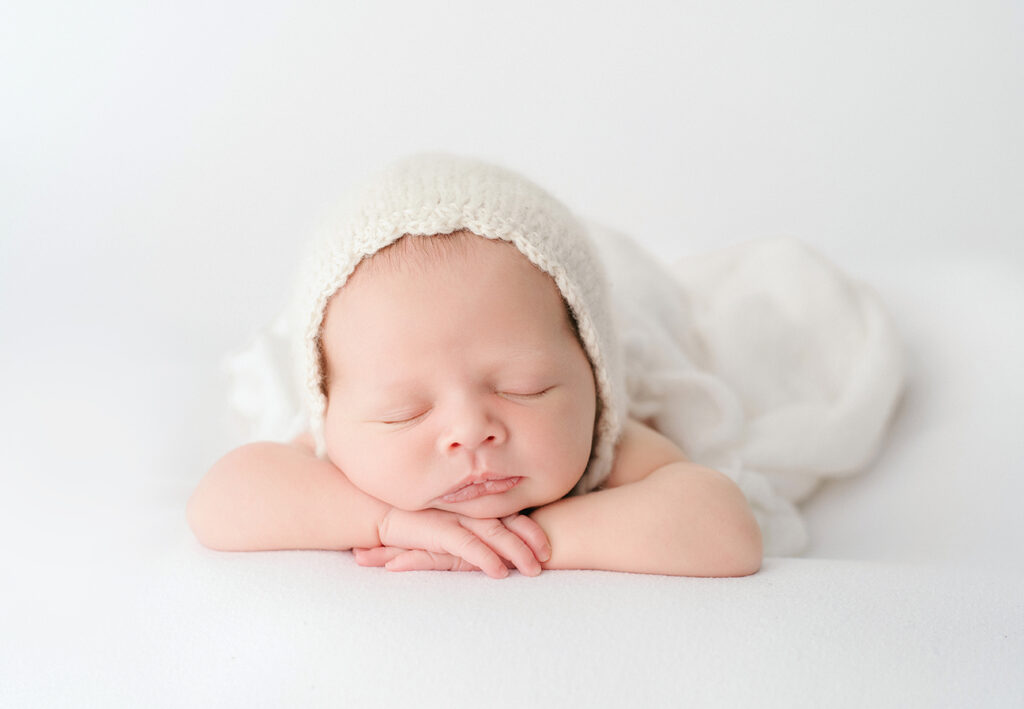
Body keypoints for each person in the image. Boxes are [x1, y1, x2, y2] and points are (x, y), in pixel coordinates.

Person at [187, 153, 763, 578]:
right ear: (329, 418)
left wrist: (526, 538)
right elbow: (217, 503)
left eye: (526, 387)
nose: (470, 431)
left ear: (596, 382)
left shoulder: (602, 447)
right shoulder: (334, 454)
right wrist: (387, 521)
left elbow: (724, 528)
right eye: (402, 413)